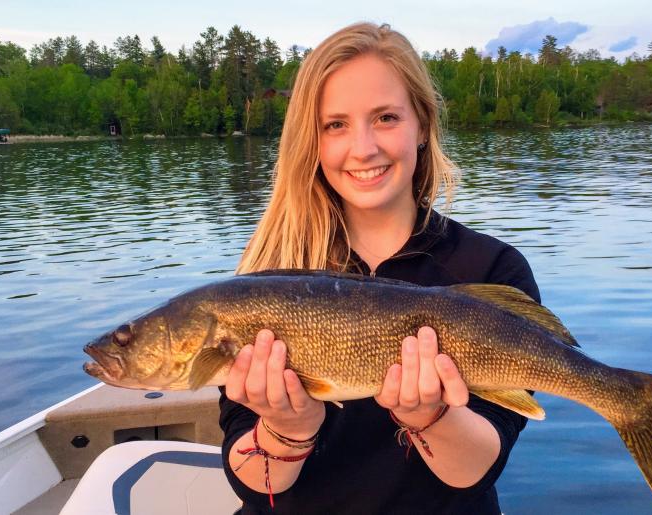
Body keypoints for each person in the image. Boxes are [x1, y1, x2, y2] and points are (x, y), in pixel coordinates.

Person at [219, 21, 540, 514]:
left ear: (423, 125)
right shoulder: (268, 278)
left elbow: (475, 472)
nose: (364, 148)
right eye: (336, 124)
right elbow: (253, 484)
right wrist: (287, 429)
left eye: (386, 117)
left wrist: (431, 418)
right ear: (314, 141)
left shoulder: (491, 268)